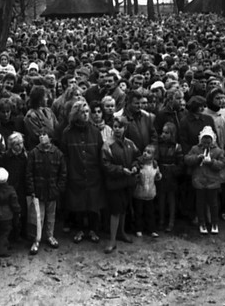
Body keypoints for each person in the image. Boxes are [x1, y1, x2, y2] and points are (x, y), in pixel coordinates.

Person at [59, 100, 105, 245]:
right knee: (77, 203)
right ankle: (79, 230)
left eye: (86, 112)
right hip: (75, 172)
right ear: (75, 114)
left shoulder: (95, 131)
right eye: (81, 112)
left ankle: (92, 230)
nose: (85, 115)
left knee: (93, 203)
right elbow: (64, 154)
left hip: (93, 173)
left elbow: (100, 152)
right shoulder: (67, 132)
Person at [25, 123, 66, 255]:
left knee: (51, 215)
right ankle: (36, 239)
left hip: (52, 189)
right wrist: (31, 189)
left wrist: (59, 188)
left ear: (51, 137)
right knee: (38, 216)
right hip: (39, 190)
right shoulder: (33, 153)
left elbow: (63, 172)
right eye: (40, 135)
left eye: (44, 134)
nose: (41, 137)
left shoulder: (58, 154)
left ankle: (50, 236)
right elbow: (29, 173)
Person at [101, 116, 138, 254]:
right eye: (115, 126)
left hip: (127, 183)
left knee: (124, 209)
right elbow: (106, 165)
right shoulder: (108, 145)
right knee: (115, 211)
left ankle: (121, 232)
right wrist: (121, 170)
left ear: (125, 128)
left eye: (120, 127)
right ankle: (112, 239)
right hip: (114, 183)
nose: (117, 129)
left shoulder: (130, 143)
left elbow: (137, 157)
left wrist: (135, 167)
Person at [185, 126, 225, 235]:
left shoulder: (218, 151)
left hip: (212, 182)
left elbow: (222, 164)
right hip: (199, 181)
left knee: (213, 204)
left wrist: (211, 162)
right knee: (200, 203)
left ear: (212, 141)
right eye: (204, 142)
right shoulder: (195, 149)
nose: (206, 145)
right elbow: (187, 159)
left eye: (208, 143)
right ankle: (202, 223)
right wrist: (197, 158)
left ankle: (214, 223)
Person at [156, 121, 183, 232]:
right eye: (163, 132)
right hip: (161, 174)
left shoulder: (177, 147)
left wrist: (174, 171)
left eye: (167, 132)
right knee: (161, 199)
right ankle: (161, 220)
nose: (164, 134)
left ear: (172, 134)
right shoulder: (159, 145)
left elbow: (180, 163)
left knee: (171, 199)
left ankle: (171, 221)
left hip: (171, 176)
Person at [132, 143, 162, 238]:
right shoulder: (140, 166)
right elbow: (135, 178)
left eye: (148, 152)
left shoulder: (155, 166)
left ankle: (151, 229)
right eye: (144, 151)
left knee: (150, 213)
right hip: (139, 193)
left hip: (150, 194)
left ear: (153, 155)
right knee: (139, 212)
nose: (145, 153)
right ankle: (138, 229)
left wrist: (158, 176)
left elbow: (157, 177)